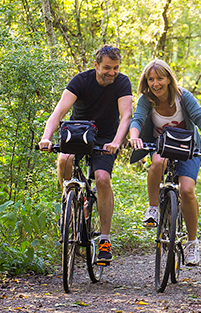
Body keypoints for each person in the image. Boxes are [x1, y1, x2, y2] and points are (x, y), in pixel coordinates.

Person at [39, 45, 133, 265]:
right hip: (78, 132)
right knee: (64, 159)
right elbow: (59, 112)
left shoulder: (122, 82)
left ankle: (105, 240)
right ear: (96, 65)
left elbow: (126, 115)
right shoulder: (81, 81)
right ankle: (69, 203)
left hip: (107, 138)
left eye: (116, 68)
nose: (112, 72)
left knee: (102, 178)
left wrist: (117, 142)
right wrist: (46, 137)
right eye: (107, 68)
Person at [128, 59, 201, 266]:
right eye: (151, 79)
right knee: (157, 163)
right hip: (162, 146)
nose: (155, 83)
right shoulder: (146, 99)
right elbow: (137, 120)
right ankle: (153, 209)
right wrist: (134, 137)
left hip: (187, 148)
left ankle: (192, 243)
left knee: (186, 191)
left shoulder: (182, 97)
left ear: (168, 79)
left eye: (160, 78)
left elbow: (200, 119)